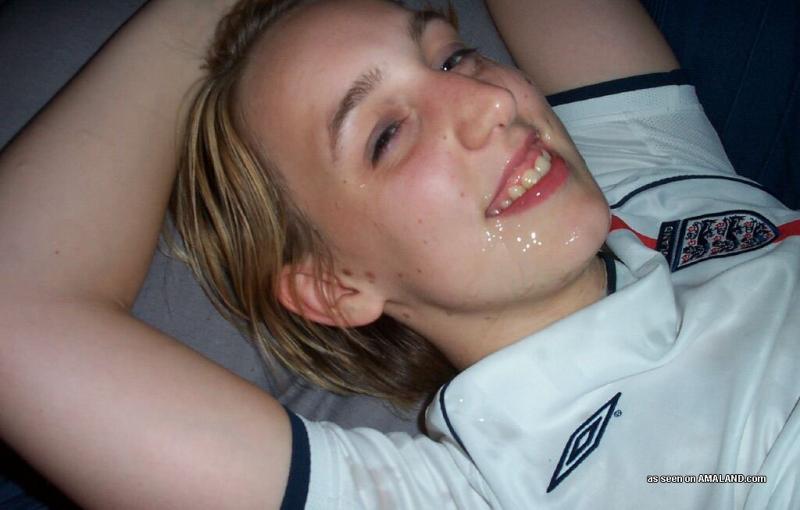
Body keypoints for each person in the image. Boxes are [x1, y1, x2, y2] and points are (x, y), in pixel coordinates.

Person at [0, 0, 797, 509]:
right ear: (334, 285)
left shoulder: (657, 183)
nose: (491, 101)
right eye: (385, 134)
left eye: (452, 58)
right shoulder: (467, 492)